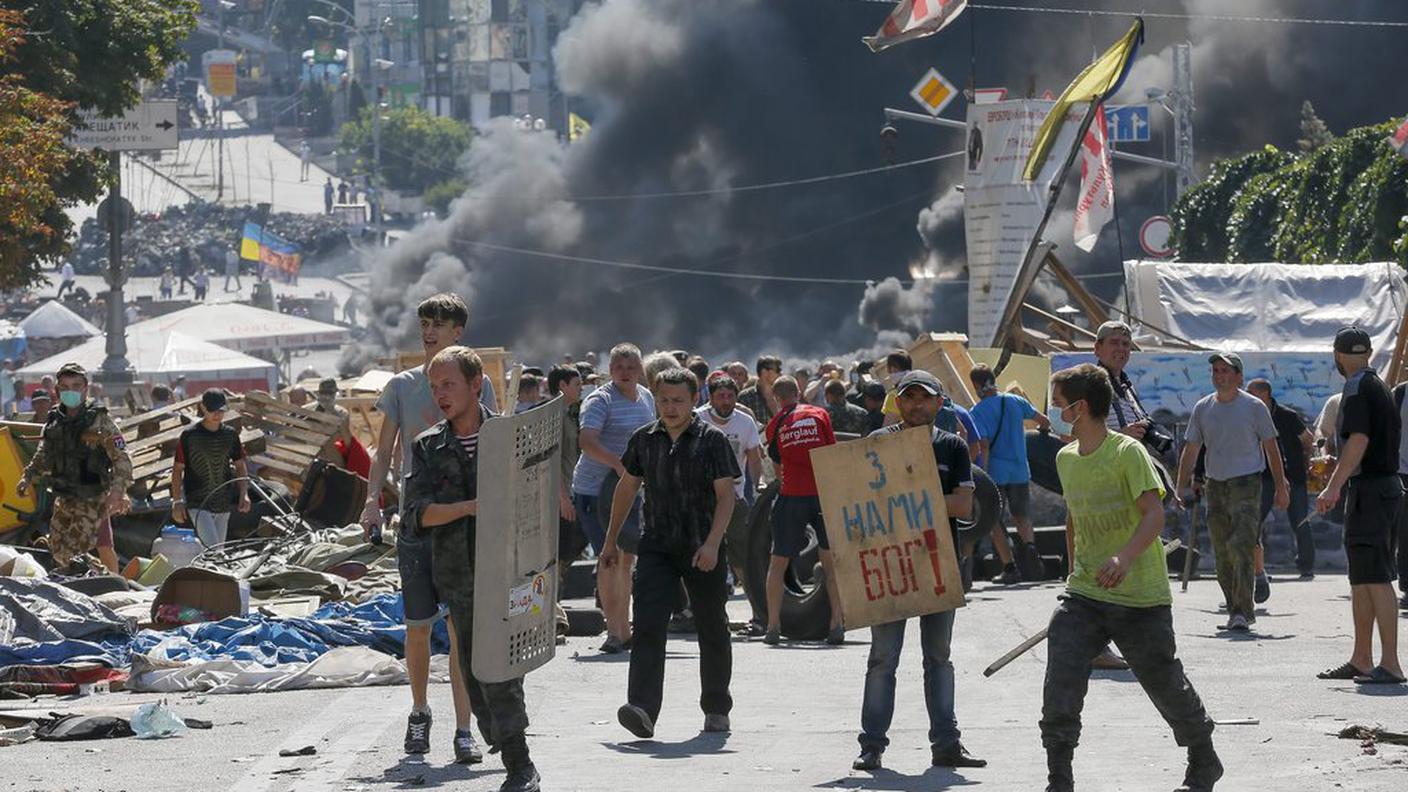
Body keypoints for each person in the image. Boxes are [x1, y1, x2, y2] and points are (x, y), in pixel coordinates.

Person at [1041, 363, 1220, 792]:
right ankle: (1059, 779)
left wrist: (1122, 559)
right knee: (1061, 680)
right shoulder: (1066, 458)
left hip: (1139, 597)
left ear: (1080, 408)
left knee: (1164, 683)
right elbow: (1074, 519)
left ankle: (1203, 755)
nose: (1053, 412)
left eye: (1059, 404)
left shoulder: (1127, 454)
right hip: (1084, 594)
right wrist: (1073, 574)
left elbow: (1154, 515)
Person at [402, 346, 540, 792]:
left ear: (476, 384)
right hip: (457, 574)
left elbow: (534, 496)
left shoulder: (510, 436)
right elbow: (416, 514)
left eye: (449, 385)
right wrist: (469, 508)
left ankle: (521, 765)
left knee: (499, 667)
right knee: (474, 669)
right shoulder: (428, 446)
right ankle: (503, 739)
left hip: (509, 569)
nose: (440, 394)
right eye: (435, 386)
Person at [360, 294, 484, 761]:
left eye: (439, 324)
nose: (429, 331)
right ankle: (419, 712)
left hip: (463, 522)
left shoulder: (477, 385)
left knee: (459, 630)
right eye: (425, 323)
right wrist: (373, 502)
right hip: (418, 521)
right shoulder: (401, 386)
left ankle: (464, 728)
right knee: (416, 628)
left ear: (458, 332)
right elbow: (383, 451)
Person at [853, 370, 986, 774]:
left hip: (936, 563)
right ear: (898, 402)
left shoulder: (953, 448)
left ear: (939, 403)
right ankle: (871, 746)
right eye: (908, 398)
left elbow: (964, 507)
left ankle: (946, 744)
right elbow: (857, 502)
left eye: (924, 398)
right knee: (882, 659)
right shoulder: (877, 445)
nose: (916, 405)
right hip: (889, 563)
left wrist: (913, 495)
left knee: (939, 658)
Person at [604, 368, 740, 739]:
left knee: (712, 626)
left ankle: (716, 706)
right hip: (657, 546)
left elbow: (726, 496)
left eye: (678, 400)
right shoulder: (644, 440)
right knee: (647, 622)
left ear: (694, 400)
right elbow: (627, 488)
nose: (670, 407)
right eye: (663, 400)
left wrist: (713, 543)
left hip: (702, 545)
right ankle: (643, 708)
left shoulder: (712, 440)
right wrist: (610, 540)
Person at [1314, 327, 1404, 685]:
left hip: (1371, 489)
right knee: (1362, 578)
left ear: (1337, 355)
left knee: (1378, 577)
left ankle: (1391, 663)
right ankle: (1362, 659)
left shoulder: (1354, 387)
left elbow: (1360, 439)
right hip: (1378, 488)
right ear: (1367, 352)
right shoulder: (1378, 384)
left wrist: (1332, 487)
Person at [1175, 352, 1289, 632]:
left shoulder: (1253, 407)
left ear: (1239, 376)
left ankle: (1242, 611)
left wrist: (1280, 485)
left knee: (1242, 545)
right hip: (1216, 485)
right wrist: (1179, 485)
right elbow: (1191, 449)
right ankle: (1233, 607)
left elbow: (1271, 448)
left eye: (1225, 371)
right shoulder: (1203, 408)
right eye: (1215, 370)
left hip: (1247, 483)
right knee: (1222, 550)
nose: (1219, 375)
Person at [572, 343, 655, 654]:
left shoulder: (645, 397)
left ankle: (625, 625)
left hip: (632, 490)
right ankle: (614, 632)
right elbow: (586, 441)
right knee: (609, 559)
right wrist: (619, 465)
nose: (624, 372)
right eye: (618, 366)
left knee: (627, 558)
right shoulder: (599, 400)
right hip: (596, 491)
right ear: (610, 370)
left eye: (631, 366)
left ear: (640, 370)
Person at [17, 363, 133, 570]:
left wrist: (117, 492)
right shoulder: (54, 421)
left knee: (82, 548)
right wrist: (27, 477)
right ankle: (101, 579)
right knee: (60, 550)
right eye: (65, 387)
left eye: (76, 385)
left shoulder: (99, 420)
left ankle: (112, 583)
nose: (70, 391)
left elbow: (121, 458)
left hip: (93, 496)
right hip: (65, 495)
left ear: (85, 389)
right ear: (57, 390)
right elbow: (43, 453)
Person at [762, 375, 844, 645]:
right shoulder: (820, 414)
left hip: (792, 496)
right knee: (830, 562)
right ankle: (837, 622)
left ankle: (773, 626)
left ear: (776, 399)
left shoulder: (775, 424)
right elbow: (831, 453)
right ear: (798, 393)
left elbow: (776, 461)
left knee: (778, 562)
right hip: (821, 495)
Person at [968, 363, 1051, 584]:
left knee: (993, 520)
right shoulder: (1015, 400)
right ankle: (1032, 554)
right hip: (1020, 471)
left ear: (976, 385)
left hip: (995, 474)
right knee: (1022, 516)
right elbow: (1044, 421)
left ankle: (1010, 568)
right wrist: (1042, 434)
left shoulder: (978, 411)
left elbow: (984, 445)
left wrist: (981, 475)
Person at [696, 371, 763, 598]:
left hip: (735, 498)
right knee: (697, 552)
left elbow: (754, 458)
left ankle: (758, 612)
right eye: (721, 396)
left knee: (742, 555)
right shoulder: (696, 420)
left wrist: (756, 487)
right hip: (700, 500)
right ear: (711, 398)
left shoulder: (745, 422)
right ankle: (692, 610)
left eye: (730, 396)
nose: (726, 401)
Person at [1246, 378, 1315, 584]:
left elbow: (1307, 439)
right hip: (1264, 477)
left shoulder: (1287, 416)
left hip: (1294, 476)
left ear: (1263, 394)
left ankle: (1306, 566)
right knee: (1255, 521)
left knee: (1301, 520)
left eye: (1251, 392)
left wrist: (1303, 461)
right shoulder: (1250, 417)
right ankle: (1255, 568)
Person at [170, 389, 250, 547]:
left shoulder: (230, 435)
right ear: (203, 408)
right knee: (213, 549)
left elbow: (240, 466)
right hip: (198, 502)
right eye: (213, 410)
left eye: (221, 410)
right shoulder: (189, 435)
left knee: (217, 551)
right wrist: (177, 501)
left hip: (223, 501)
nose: (217, 414)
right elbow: (178, 469)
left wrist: (244, 494)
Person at [548, 364, 586, 638]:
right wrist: (563, 498)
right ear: (562, 386)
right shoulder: (554, 416)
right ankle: (552, 616)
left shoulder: (575, 413)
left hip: (577, 489)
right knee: (556, 558)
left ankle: (554, 614)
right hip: (563, 494)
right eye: (576, 383)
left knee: (567, 554)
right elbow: (552, 460)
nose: (580, 387)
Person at [738, 354, 782, 427]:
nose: (780, 374)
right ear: (764, 372)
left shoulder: (782, 395)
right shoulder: (745, 397)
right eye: (777, 370)